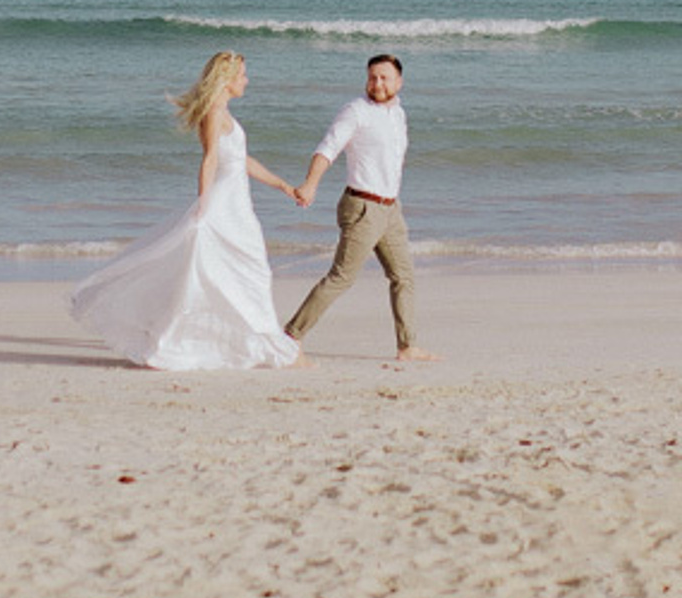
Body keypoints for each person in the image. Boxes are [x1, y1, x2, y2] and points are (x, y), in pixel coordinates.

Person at [70, 50, 305, 370]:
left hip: (239, 205)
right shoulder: (213, 113)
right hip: (224, 204)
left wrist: (283, 186)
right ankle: (255, 341)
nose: (247, 81)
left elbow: (241, 161)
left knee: (249, 271)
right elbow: (210, 159)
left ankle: (257, 339)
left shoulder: (225, 114)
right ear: (228, 79)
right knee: (233, 272)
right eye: (243, 76)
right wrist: (203, 205)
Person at [284, 52, 436, 362]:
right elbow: (327, 148)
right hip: (363, 207)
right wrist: (310, 183)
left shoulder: (399, 114)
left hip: (391, 209)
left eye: (384, 78)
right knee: (341, 277)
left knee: (403, 277)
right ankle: (290, 337)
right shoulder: (356, 111)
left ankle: (407, 347)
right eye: (372, 77)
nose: (377, 83)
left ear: (399, 82)